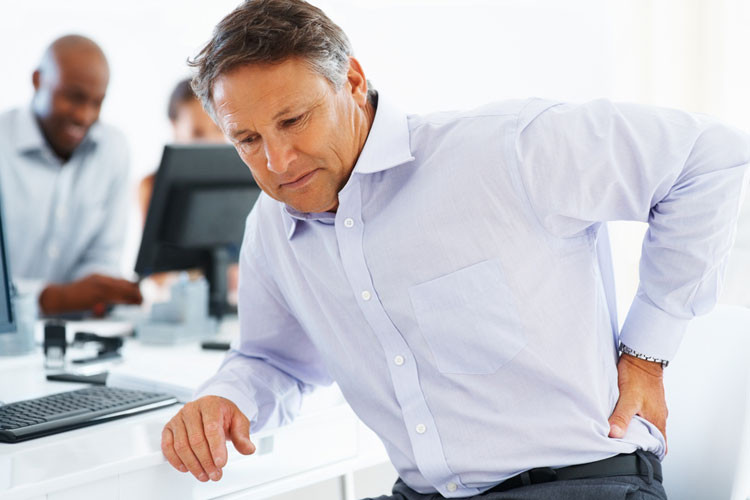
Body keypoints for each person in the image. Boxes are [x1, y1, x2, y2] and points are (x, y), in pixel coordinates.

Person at [160, 1, 750, 498]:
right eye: (248, 139)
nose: (277, 162)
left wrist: (648, 352)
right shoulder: (272, 228)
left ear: (353, 81)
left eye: (294, 120)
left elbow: (709, 159)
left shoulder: (504, 149)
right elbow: (274, 360)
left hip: (576, 482)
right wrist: (225, 397)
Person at [0, 35, 141, 316]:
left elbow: (103, 254)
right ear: (38, 80)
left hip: (76, 331)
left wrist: (101, 290)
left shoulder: (113, 149)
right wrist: (52, 298)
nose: (84, 116)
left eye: (97, 102)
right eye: (74, 97)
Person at [138, 78, 225, 221]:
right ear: (175, 127)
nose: (211, 141)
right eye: (197, 133)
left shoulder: (248, 180)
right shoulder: (150, 186)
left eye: (218, 130)